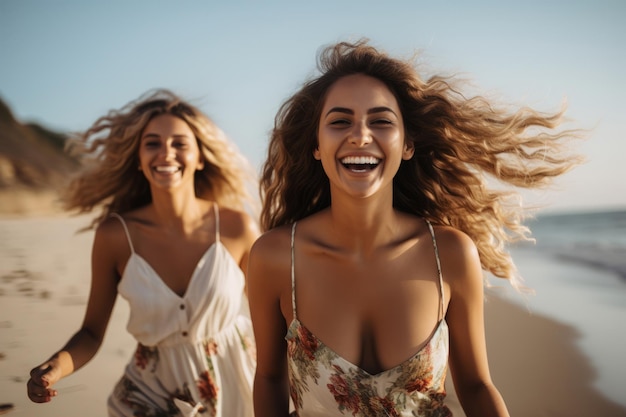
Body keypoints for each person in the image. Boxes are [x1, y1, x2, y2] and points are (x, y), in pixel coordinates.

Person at [247, 40, 582, 417]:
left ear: (407, 144)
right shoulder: (275, 257)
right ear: (316, 145)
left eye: (381, 121)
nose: (360, 136)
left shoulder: (449, 254)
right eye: (340, 121)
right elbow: (270, 379)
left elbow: (475, 386)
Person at [26, 89, 259, 417]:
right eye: (152, 143)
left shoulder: (238, 228)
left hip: (239, 386)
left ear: (200, 157)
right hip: (151, 396)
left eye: (180, 143)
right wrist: (55, 369)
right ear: (138, 159)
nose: (166, 153)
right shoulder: (115, 236)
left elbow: (274, 323)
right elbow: (91, 333)